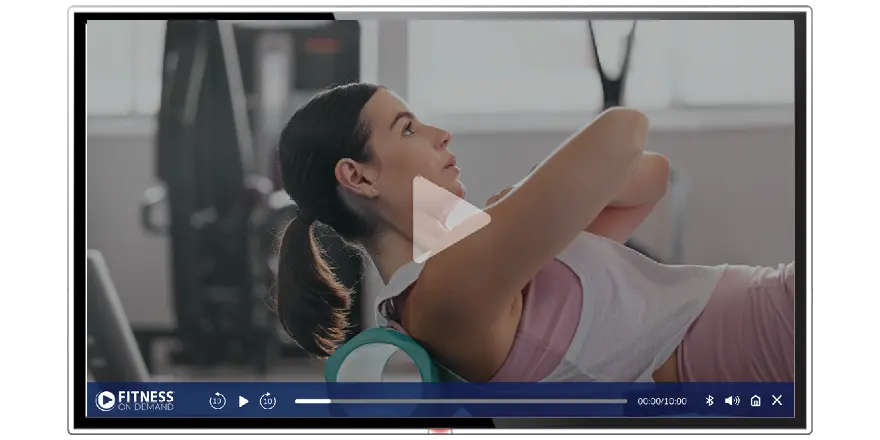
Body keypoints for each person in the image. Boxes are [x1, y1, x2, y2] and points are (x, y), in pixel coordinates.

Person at [273, 82, 795, 383]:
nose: (439, 133)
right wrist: (527, 193)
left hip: (769, 312)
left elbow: (649, 177)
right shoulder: (446, 288)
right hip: (764, 333)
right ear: (358, 176)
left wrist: (519, 210)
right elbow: (623, 131)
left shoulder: (482, 264)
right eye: (407, 129)